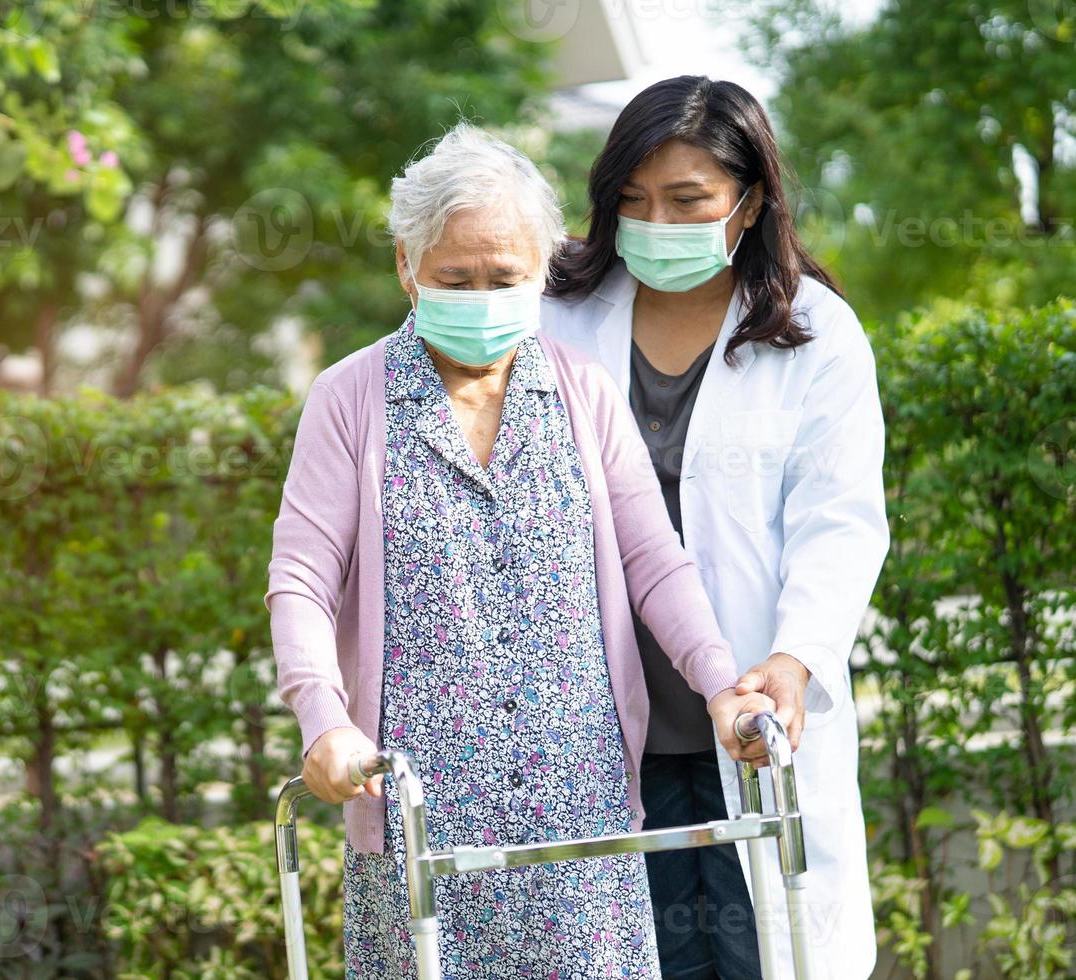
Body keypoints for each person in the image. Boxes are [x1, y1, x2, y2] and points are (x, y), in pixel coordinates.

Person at [266, 120, 775, 979]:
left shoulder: (583, 392)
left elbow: (655, 560)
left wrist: (721, 684)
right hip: (418, 811)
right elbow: (302, 579)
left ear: (543, 270)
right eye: (453, 278)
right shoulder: (349, 399)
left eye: (505, 277)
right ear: (406, 267)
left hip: (582, 810)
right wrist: (325, 723)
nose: (480, 295)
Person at [540, 76, 890, 979]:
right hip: (600, 730)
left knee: (767, 953)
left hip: (750, 715)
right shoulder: (554, 318)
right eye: (632, 201)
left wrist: (798, 653)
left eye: (687, 200)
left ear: (751, 199)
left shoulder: (815, 334)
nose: (656, 221)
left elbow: (840, 521)